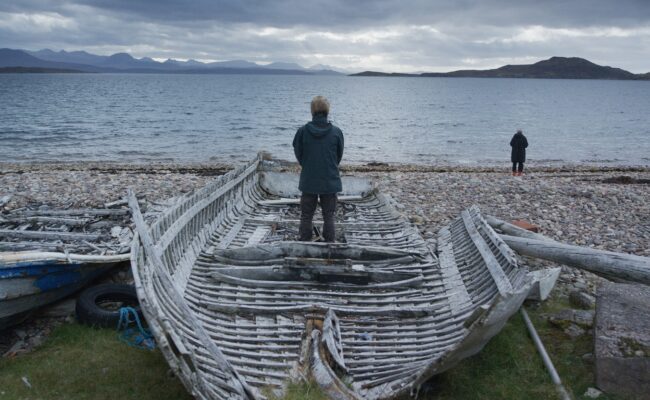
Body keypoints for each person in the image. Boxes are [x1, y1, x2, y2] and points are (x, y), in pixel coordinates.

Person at [292, 96, 344, 242]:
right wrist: (328, 166)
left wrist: (309, 165)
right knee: (329, 215)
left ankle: (304, 243)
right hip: (330, 179)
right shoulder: (336, 132)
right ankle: (329, 245)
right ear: (327, 111)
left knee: (306, 215)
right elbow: (338, 156)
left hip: (309, 179)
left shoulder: (302, 132)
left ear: (312, 111)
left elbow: (298, 154)